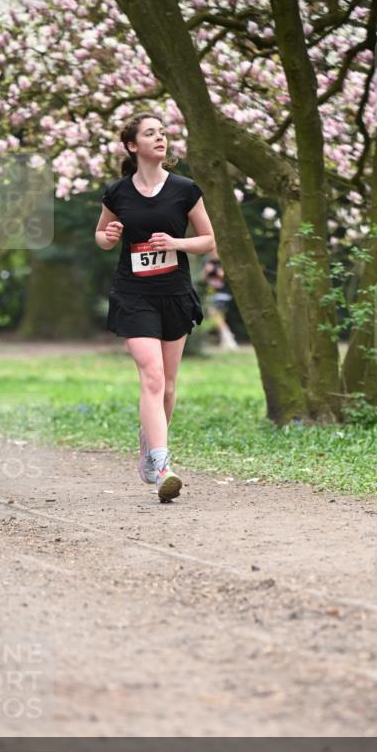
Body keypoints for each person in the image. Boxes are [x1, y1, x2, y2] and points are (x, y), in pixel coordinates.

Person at [95, 113, 216, 502]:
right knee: (151, 375)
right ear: (133, 146)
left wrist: (176, 245)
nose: (160, 138)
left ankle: (148, 445)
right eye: (151, 134)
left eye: (163, 133)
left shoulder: (184, 189)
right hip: (134, 294)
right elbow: (102, 235)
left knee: (167, 386)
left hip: (174, 293)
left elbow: (208, 240)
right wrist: (109, 235)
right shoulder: (118, 192)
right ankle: (163, 464)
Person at [200, 254, 238, 351]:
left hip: (222, 294)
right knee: (217, 318)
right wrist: (206, 270)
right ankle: (226, 339)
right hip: (211, 294)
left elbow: (227, 276)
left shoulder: (223, 261)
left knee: (215, 315)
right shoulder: (207, 261)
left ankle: (229, 338)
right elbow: (202, 280)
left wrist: (217, 271)